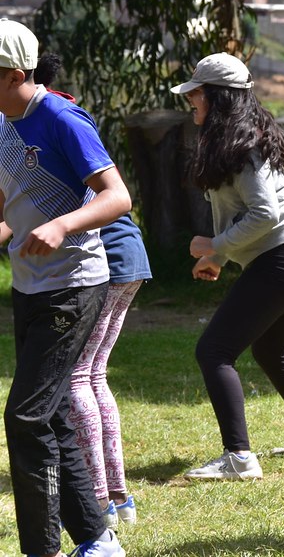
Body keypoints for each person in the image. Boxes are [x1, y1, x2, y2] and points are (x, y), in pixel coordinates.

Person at [0, 19, 129, 556]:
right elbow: (10, 204)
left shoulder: (59, 117)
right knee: (47, 413)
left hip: (74, 286)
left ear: (15, 74)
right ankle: (99, 541)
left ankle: (42, 549)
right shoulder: (2, 122)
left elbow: (116, 197)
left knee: (24, 416)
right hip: (30, 287)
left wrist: (62, 225)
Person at [173, 52, 284, 480]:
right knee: (268, 348)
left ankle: (238, 458)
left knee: (214, 351)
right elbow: (244, 212)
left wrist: (214, 244)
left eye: (196, 94)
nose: (191, 102)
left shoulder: (245, 145)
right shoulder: (236, 138)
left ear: (217, 97)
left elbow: (266, 214)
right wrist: (217, 257)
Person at [34, 52, 152, 527]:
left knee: (79, 376)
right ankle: (116, 497)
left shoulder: (51, 120)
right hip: (127, 258)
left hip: (107, 260)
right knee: (93, 374)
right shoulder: (51, 114)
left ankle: (100, 502)